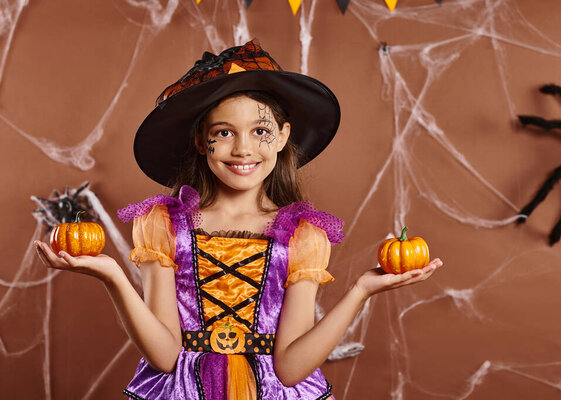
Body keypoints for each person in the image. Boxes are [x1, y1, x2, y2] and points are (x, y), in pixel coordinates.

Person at [34, 40, 443, 399]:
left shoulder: (303, 235)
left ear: (283, 137)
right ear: (201, 141)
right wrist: (113, 276)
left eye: (260, 131)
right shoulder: (163, 224)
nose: (243, 149)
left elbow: (290, 368)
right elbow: (163, 356)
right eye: (225, 132)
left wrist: (361, 290)